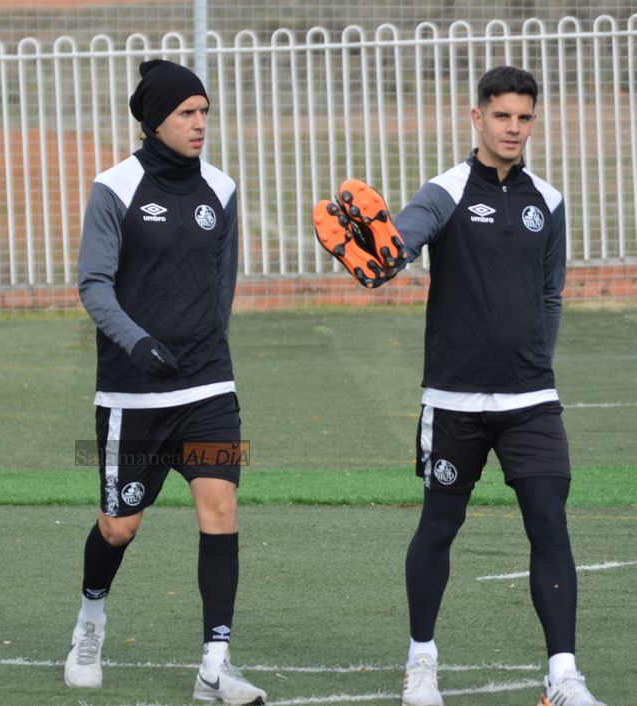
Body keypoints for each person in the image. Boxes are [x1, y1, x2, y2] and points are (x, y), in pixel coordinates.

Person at [315, 66, 605, 706]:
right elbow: (408, 235)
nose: (513, 128)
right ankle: (421, 661)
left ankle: (562, 677)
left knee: (550, 528)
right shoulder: (444, 190)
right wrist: (386, 251)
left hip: (531, 401)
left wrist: (537, 358)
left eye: (523, 117)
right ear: (477, 119)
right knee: (439, 524)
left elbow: (551, 293)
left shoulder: (548, 201)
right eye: (501, 116)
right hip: (454, 402)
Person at [65, 59, 266, 706]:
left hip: (207, 388)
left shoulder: (222, 190)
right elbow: (94, 284)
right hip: (133, 396)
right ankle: (91, 620)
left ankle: (214, 668)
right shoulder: (115, 189)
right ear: (155, 121)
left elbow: (221, 287)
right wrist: (138, 340)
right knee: (120, 527)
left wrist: (207, 351)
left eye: (205, 111)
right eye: (187, 113)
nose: (200, 123)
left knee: (221, 510)